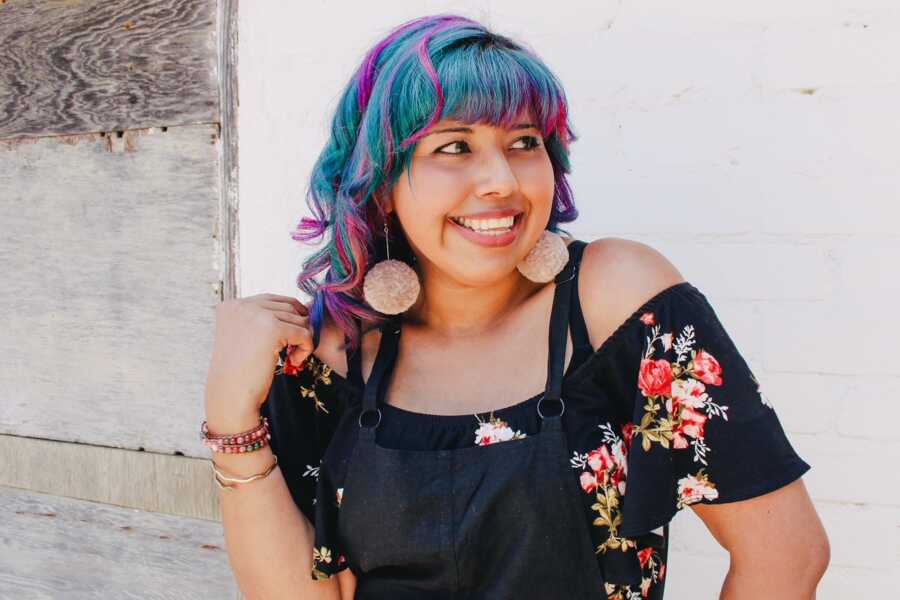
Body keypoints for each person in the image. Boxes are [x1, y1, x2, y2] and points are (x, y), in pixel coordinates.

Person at [203, 14, 830, 600]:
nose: (502, 179)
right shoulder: (332, 352)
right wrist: (232, 418)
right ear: (381, 184)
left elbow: (784, 552)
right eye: (453, 147)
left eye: (524, 141)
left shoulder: (614, 302)